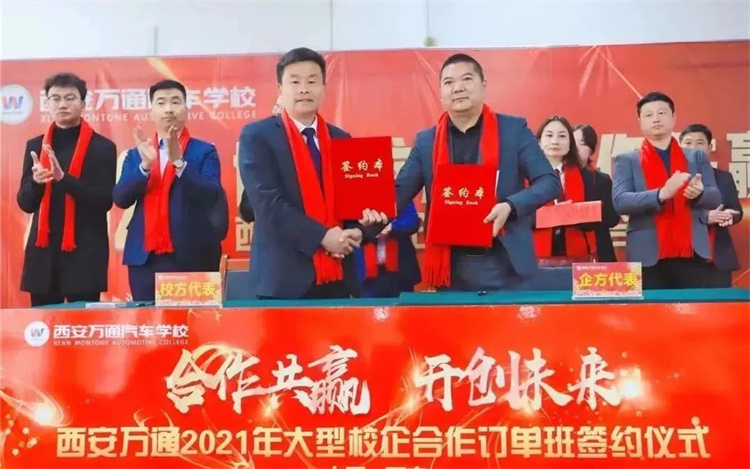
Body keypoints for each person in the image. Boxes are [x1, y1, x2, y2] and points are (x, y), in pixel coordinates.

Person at [395, 53, 561, 291]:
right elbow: (399, 192)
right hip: (451, 267)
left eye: (467, 79)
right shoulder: (426, 141)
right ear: (441, 92)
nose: (458, 88)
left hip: (505, 262)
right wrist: (361, 229)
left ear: (483, 85)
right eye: (449, 82)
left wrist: (510, 206)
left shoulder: (513, 130)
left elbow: (549, 182)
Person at [239, 47, 385, 300]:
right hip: (282, 280)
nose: (304, 89)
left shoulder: (341, 138)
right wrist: (322, 237)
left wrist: (358, 230)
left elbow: (352, 204)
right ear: (280, 90)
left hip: (337, 274)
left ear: (324, 88)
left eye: (312, 81)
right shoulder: (257, 136)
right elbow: (266, 203)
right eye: (295, 82)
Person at [113, 79, 222, 301]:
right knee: (148, 320)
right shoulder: (137, 154)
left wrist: (180, 163)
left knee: (194, 320)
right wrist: (145, 167)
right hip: (145, 257)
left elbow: (212, 195)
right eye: (161, 103)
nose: (169, 109)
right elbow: (121, 198)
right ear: (151, 112)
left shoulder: (205, 151)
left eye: (175, 102)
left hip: (193, 254)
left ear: (186, 109)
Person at [17, 73, 117, 306]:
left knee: (83, 325)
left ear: (83, 104)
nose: (62, 104)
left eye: (70, 98)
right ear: (47, 104)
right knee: (43, 324)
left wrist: (64, 179)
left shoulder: (102, 147)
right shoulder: (35, 145)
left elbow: (104, 202)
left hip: (85, 254)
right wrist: (36, 182)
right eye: (55, 98)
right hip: (43, 256)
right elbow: (25, 203)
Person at [612, 92, 721, 289]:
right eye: (649, 115)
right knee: (650, 309)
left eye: (662, 113)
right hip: (647, 253)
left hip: (692, 250)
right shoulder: (627, 159)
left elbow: (715, 198)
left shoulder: (696, 157)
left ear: (673, 118)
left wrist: (699, 194)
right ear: (640, 122)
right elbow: (621, 201)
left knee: (694, 307)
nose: (656, 118)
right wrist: (661, 194)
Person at [534, 116, 619, 262]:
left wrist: (575, 214)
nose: (555, 141)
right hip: (534, 259)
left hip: (580, 259)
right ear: (539, 142)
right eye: (549, 135)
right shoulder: (523, 177)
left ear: (570, 143)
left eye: (562, 136)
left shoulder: (590, 178)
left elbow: (610, 217)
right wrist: (554, 214)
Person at [679, 123, 743, 287]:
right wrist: (706, 217)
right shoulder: (673, 179)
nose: (693, 148)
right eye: (688, 143)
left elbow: (736, 211)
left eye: (699, 143)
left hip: (716, 258)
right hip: (678, 258)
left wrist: (728, 215)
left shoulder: (723, 177)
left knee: (717, 302)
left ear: (708, 148)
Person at [573, 123, 620, 261]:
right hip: (567, 251)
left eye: (582, 144)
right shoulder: (557, 178)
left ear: (592, 149)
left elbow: (613, 219)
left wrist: (588, 213)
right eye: (573, 143)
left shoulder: (601, 180)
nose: (576, 148)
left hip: (599, 249)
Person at [355, 202, 421, 298]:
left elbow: (413, 222)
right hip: (367, 275)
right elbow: (349, 226)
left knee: (402, 306)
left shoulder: (401, 196)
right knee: (368, 306)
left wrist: (392, 228)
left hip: (399, 272)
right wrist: (368, 230)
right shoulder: (357, 198)